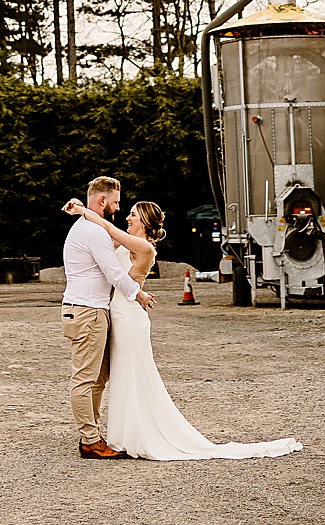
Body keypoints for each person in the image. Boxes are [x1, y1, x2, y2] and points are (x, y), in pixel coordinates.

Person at [64, 194, 303, 462]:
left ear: (143, 222)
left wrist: (82, 209)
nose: (127, 217)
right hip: (117, 314)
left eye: (133, 214)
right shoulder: (130, 241)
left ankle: (137, 435)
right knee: (120, 375)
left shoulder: (144, 248)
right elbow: (104, 242)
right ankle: (121, 434)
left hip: (129, 318)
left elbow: (107, 229)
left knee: (133, 375)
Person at [61, 175, 154, 458]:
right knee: (86, 379)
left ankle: (93, 433)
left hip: (92, 310)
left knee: (98, 378)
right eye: (115, 201)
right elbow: (114, 273)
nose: (119, 207)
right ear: (103, 200)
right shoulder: (94, 232)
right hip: (88, 311)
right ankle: (90, 440)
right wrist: (138, 294)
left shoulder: (90, 228)